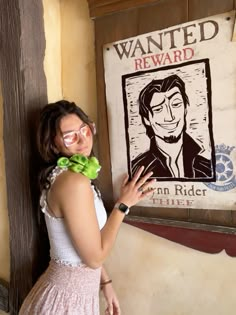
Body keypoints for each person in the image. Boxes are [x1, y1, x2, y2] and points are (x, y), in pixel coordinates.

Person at [19, 100, 154, 315]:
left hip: (71, 294)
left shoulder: (67, 177)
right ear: (53, 145)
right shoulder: (73, 182)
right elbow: (94, 257)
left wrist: (105, 282)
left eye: (85, 130)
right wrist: (123, 205)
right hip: (65, 300)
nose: (82, 140)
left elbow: (84, 241)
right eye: (70, 136)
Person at [131, 74, 214, 180]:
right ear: (147, 119)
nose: (170, 117)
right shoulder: (136, 169)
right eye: (158, 109)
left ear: (185, 109)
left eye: (176, 104)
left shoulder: (206, 168)